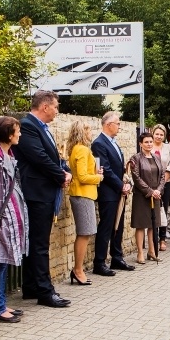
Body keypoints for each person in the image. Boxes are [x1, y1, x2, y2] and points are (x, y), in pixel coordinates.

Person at [12, 90, 73, 308]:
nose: (57, 111)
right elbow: (38, 157)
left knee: (35, 242)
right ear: (45, 107)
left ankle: (31, 286)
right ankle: (45, 292)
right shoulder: (28, 125)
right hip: (36, 193)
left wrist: (62, 170)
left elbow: (53, 157)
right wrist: (60, 175)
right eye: (55, 107)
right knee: (39, 244)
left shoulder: (41, 128)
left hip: (42, 191)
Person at [0, 116, 29, 323]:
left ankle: (0, 303)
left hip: (7, 216)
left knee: (3, 261)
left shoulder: (7, 155)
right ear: (9, 135)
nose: (20, 134)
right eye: (17, 131)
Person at [91, 112, 133, 276]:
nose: (120, 126)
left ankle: (117, 256)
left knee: (118, 225)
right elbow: (105, 169)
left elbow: (119, 167)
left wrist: (126, 182)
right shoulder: (99, 144)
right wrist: (120, 185)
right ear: (108, 124)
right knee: (106, 226)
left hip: (118, 191)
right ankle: (99, 262)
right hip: (108, 192)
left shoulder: (114, 143)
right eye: (117, 123)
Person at [66, 120, 104, 285]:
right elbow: (82, 177)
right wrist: (99, 177)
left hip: (83, 194)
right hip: (83, 195)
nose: (91, 134)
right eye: (88, 131)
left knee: (86, 232)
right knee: (84, 233)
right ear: (83, 132)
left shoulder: (76, 149)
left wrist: (95, 172)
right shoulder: (82, 149)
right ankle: (78, 270)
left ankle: (78, 269)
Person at [129, 132, 165, 263]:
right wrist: (150, 191)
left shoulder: (156, 157)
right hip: (142, 196)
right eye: (146, 142)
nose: (149, 144)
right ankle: (140, 253)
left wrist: (158, 190)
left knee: (152, 225)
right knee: (141, 225)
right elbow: (136, 178)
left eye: (151, 142)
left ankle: (152, 251)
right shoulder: (136, 158)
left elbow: (162, 176)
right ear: (140, 144)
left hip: (156, 195)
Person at [151, 124, 170, 252]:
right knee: (152, 210)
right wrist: (154, 184)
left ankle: (162, 239)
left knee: (163, 210)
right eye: (157, 134)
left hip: (166, 183)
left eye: (161, 134)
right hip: (151, 185)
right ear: (153, 133)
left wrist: (161, 183)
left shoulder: (168, 148)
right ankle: (152, 239)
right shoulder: (148, 146)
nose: (159, 136)